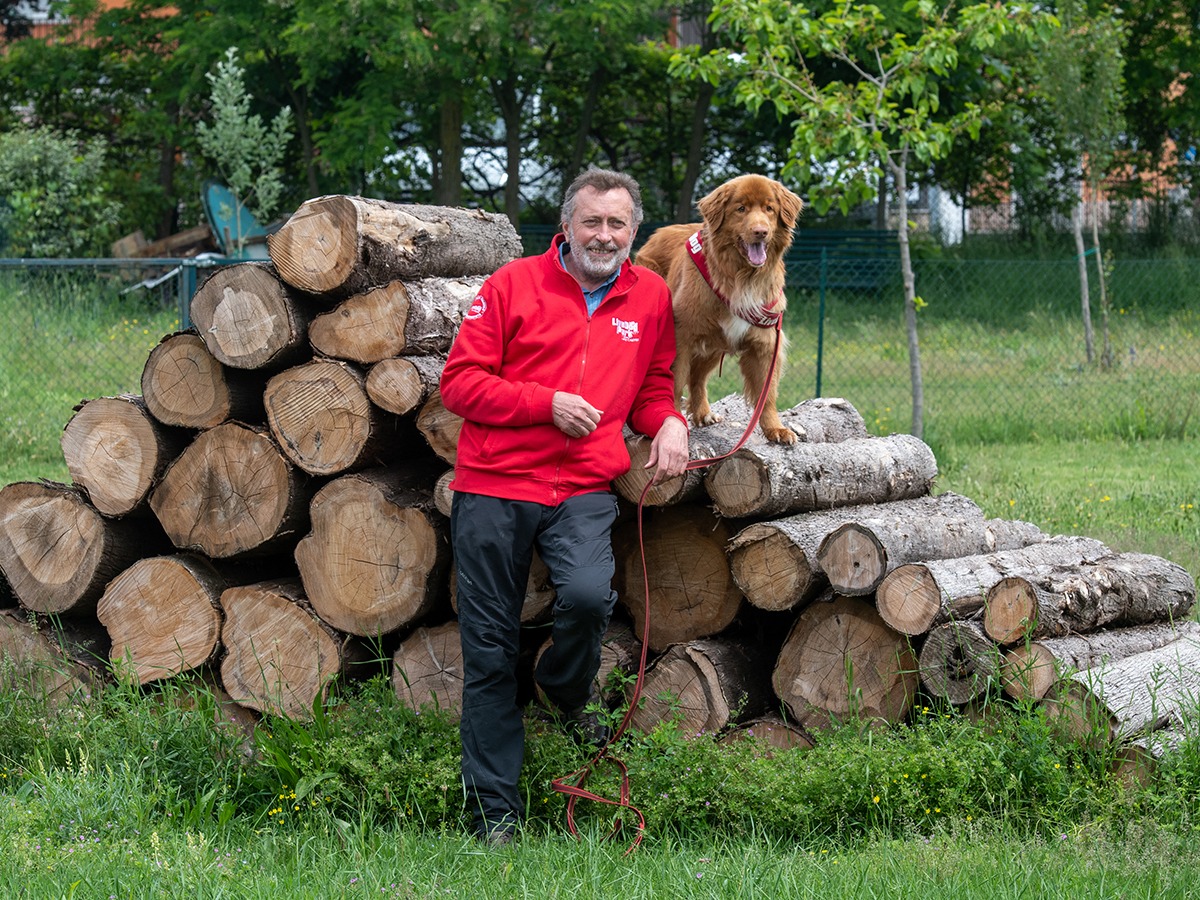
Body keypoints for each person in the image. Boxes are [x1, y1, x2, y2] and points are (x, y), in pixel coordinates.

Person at [439, 167, 690, 845]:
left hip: (582, 486)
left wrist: (669, 420)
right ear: (567, 227)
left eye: (616, 224)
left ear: (634, 230)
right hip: (494, 484)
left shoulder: (651, 297)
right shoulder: (512, 285)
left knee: (585, 599)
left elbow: (655, 384)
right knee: (488, 650)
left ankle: (562, 688)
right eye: (591, 222)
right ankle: (496, 813)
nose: (603, 235)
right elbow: (459, 384)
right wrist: (543, 404)